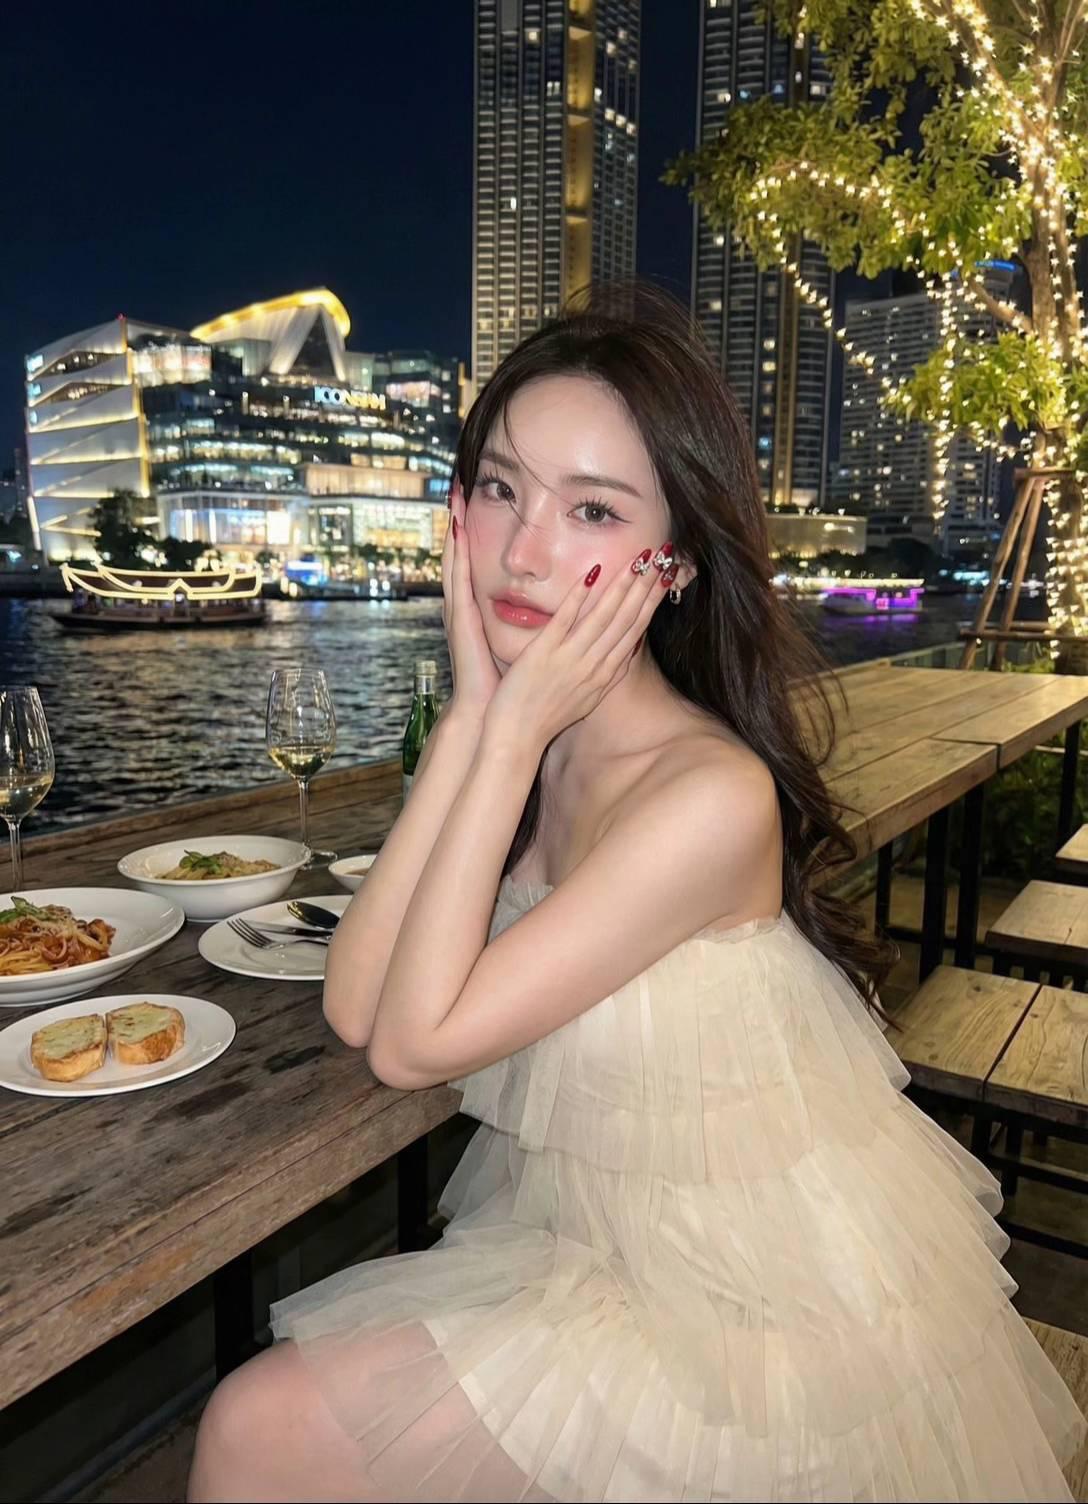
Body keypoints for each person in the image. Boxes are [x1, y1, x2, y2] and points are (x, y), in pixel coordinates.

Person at [188, 287, 1085, 1503]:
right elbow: (356, 1000)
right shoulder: (550, 740)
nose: (521, 550)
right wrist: (473, 717)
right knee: (282, 1422)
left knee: (258, 1423)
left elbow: (408, 1046)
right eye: (498, 487)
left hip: (743, 1320)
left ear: (674, 565)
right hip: (597, 1250)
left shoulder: (704, 794)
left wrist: (504, 731)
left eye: (592, 509)